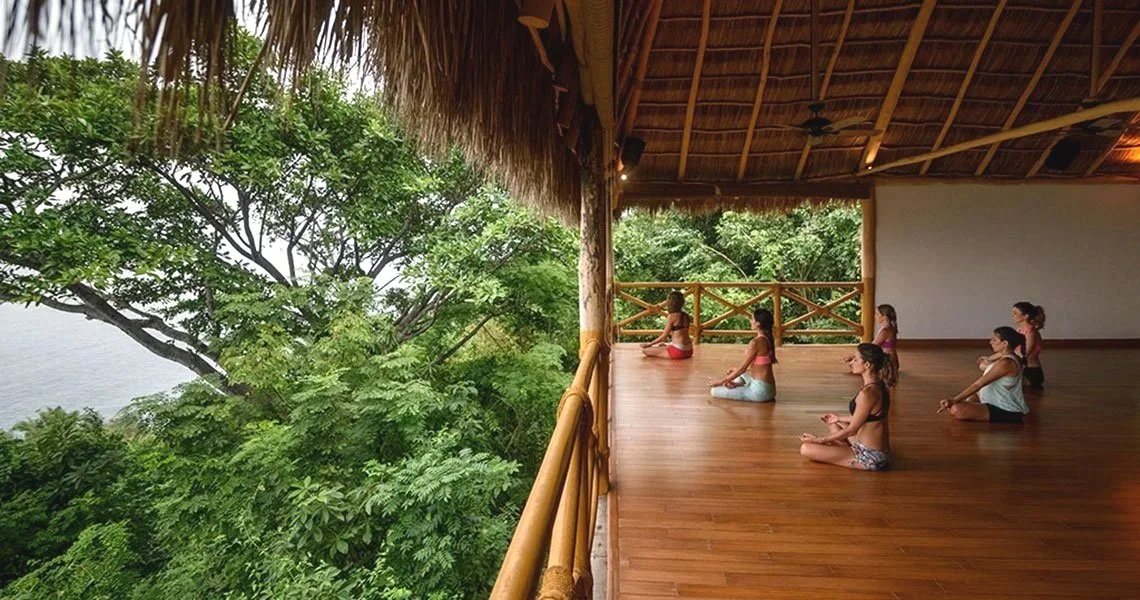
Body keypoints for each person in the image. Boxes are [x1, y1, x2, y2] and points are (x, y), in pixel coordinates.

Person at [800, 343, 896, 471]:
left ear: (867, 365)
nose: (852, 362)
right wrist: (838, 418)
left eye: (856, 359)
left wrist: (819, 440)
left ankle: (839, 448)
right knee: (833, 424)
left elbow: (852, 430)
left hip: (871, 457)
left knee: (806, 449)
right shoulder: (880, 386)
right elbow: (864, 418)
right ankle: (838, 446)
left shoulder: (867, 394)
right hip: (878, 449)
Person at [940, 327, 1030, 423]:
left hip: (1006, 410)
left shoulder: (1007, 363)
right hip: (993, 400)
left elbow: (978, 384)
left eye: (994, 340)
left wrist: (954, 399)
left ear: (1005, 343)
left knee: (956, 409)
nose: (990, 342)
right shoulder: (1005, 357)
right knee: (971, 397)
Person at [707, 307, 777, 402]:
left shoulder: (756, 342)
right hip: (770, 389)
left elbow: (742, 369)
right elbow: (759, 365)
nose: (750, 321)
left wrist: (719, 382)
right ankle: (737, 384)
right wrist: (734, 373)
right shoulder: (767, 340)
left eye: (752, 319)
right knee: (738, 376)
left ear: (758, 324)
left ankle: (738, 386)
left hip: (760, 392)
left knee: (714, 391)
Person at [844, 304, 900, 376]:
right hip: (894, 363)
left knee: (862, 365)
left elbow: (871, 348)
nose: (875, 316)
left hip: (888, 365)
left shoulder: (885, 331)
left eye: (877, 314)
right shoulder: (891, 327)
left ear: (884, 316)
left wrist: (854, 358)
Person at [640, 290, 693, 359]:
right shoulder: (686, 315)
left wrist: (649, 344)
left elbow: (663, 337)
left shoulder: (672, 316)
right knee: (661, 345)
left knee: (645, 351)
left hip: (679, 351)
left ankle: (669, 352)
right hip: (689, 350)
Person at [1012, 301, 1045, 389]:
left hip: (1031, 373)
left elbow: (1024, 354)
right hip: (1021, 368)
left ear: (1025, 316)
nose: (1012, 315)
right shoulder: (1019, 330)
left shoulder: (1031, 332)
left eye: (1015, 313)